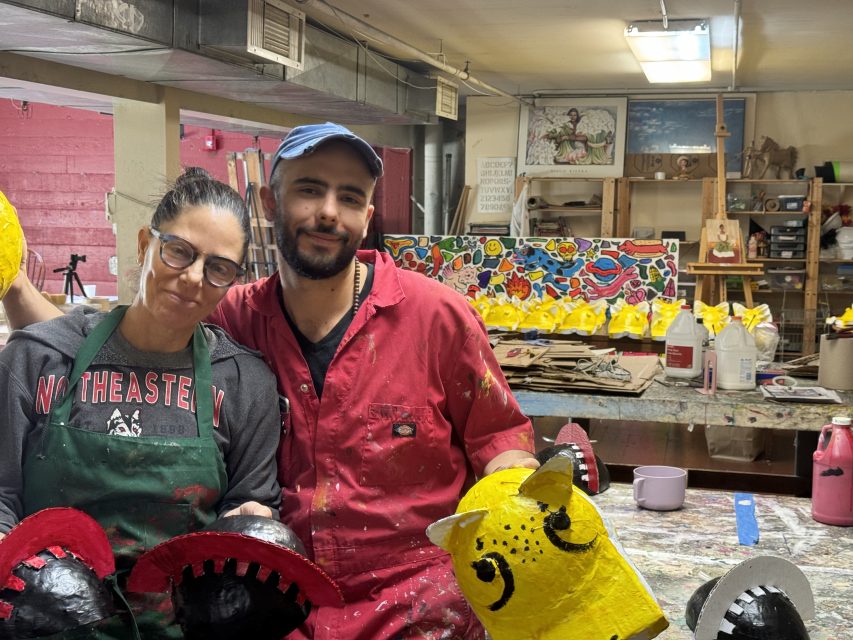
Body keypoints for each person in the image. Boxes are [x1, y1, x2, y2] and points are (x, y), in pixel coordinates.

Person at [4, 123, 539, 639]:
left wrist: (522, 505)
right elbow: (100, 343)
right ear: (269, 202)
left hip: (419, 612)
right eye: (309, 190)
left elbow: (500, 440)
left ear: (367, 215)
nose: (329, 212)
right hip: (286, 615)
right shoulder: (230, 314)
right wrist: (12, 282)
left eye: (350, 198)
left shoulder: (434, 317)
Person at [0, 168, 283, 638]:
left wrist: (252, 518)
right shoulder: (38, 358)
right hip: (47, 627)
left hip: (180, 627)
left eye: (218, 267)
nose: (193, 278)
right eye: (178, 251)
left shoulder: (243, 382)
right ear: (143, 245)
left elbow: (247, 504)